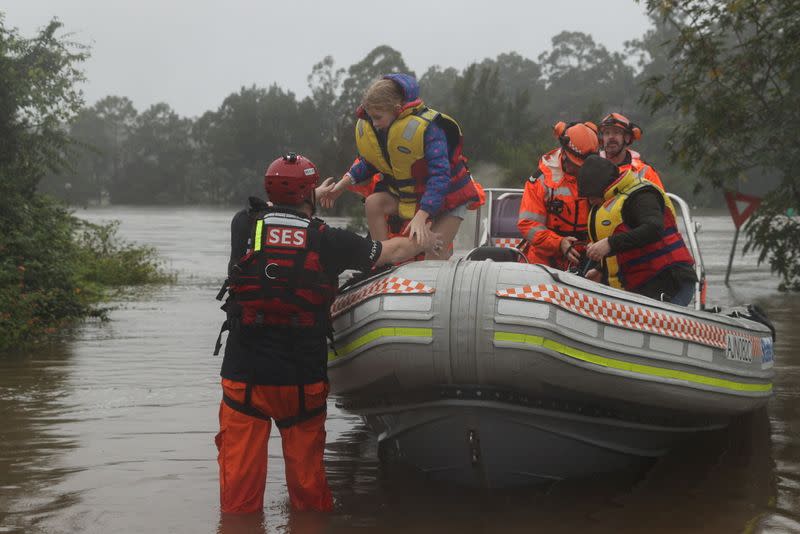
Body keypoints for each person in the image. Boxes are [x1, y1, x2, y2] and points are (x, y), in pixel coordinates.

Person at [213, 153, 441, 514]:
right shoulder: (328, 240)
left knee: (238, 501)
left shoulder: (243, 224)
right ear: (308, 195)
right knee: (309, 496)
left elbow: (279, 212)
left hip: (245, 378)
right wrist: (424, 236)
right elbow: (391, 250)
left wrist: (308, 195)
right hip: (301, 379)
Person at [317, 73, 483, 259]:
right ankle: (383, 260)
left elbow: (440, 177)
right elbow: (370, 162)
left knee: (434, 252)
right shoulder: (382, 128)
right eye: (371, 118)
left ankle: (434, 274)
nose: (374, 123)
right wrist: (340, 186)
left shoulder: (430, 129)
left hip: (448, 198)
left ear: (396, 109)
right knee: (373, 203)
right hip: (413, 196)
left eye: (378, 117)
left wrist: (422, 216)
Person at [577, 154, 697, 305]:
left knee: (656, 323)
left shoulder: (641, 195)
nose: (590, 201)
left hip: (671, 279)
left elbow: (654, 229)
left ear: (601, 187)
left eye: (591, 195)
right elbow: (627, 248)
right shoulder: (611, 201)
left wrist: (609, 243)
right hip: (643, 283)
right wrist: (601, 271)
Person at [516, 121, 600, 269]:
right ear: (565, 155)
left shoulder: (600, 176)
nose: (580, 169)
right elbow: (528, 225)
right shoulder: (541, 180)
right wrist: (559, 243)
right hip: (544, 261)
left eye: (583, 166)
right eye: (577, 164)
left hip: (587, 259)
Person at [598, 112, 664, 189]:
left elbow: (659, 199)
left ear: (627, 138)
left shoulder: (644, 171)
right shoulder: (593, 167)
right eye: (607, 133)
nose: (611, 137)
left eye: (616, 132)